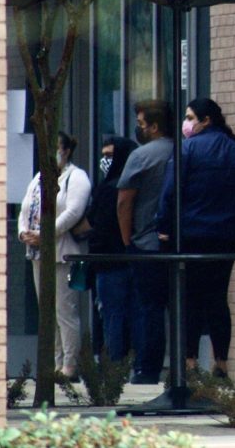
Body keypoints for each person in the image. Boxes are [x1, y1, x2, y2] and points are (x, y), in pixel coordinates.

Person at [156, 97, 235, 377]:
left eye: (189, 117)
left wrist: (163, 226)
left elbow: (170, 192)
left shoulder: (188, 149)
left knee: (190, 300)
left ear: (205, 120)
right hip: (225, 236)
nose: (186, 123)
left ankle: (189, 364)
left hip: (190, 235)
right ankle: (221, 364)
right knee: (218, 299)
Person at [17, 131, 92, 380]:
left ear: (66, 150)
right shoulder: (39, 177)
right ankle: (56, 363)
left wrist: (46, 233)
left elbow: (72, 212)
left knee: (65, 310)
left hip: (64, 254)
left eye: (56, 147)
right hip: (39, 254)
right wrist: (23, 233)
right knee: (48, 310)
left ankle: (70, 364)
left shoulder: (77, 177)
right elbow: (25, 207)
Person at [117, 99, 175, 384]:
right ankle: (185, 366)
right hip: (179, 242)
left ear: (153, 126)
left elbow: (124, 201)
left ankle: (147, 368)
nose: (138, 129)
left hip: (145, 243)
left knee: (149, 308)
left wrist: (128, 239)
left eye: (141, 124)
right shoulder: (183, 151)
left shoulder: (141, 156)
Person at [86, 136, 137, 362]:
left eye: (110, 156)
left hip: (110, 262)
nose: (105, 161)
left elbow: (94, 222)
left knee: (112, 315)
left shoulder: (109, 189)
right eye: (103, 155)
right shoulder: (125, 185)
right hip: (123, 259)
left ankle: (114, 364)